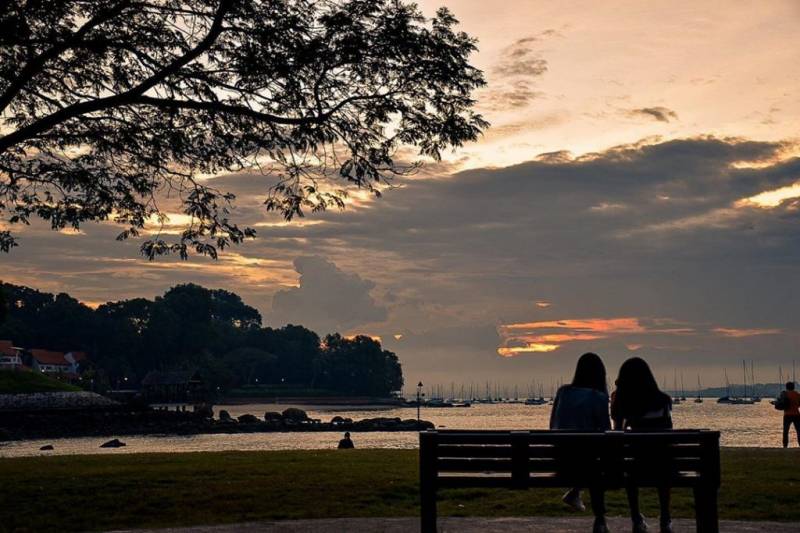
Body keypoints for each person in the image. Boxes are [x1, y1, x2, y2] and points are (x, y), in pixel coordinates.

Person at [550, 352, 611, 533]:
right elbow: (606, 432)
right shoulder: (598, 396)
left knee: (587, 457)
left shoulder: (562, 392)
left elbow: (552, 426)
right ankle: (600, 520)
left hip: (561, 462)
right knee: (595, 463)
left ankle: (576, 492)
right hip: (588, 465)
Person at [611, 357, 673, 533]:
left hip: (636, 465)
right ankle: (665, 517)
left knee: (630, 469)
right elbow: (668, 431)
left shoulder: (622, 401)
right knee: (662, 465)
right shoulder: (663, 400)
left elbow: (617, 434)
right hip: (662, 463)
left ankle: (636, 518)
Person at [779, 382, 800, 448]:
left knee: (785, 431)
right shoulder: (797, 394)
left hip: (787, 415)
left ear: (786, 387)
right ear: (793, 387)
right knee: (799, 431)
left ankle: (785, 446)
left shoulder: (785, 394)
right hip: (796, 414)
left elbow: (781, 404)